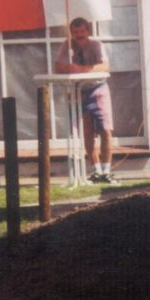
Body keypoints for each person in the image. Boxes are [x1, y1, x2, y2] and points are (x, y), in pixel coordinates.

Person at [53, 17, 116, 184]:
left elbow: (104, 66)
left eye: (82, 31)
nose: (79, 35)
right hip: (80, 91)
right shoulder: (68, 45)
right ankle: (96, 170)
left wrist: (82, 69)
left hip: (98, 89)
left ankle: (107, 171)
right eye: (75, 32)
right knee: (87, 132)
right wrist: (68, 67)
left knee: (105, 130)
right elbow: (57, 66)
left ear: (87, 31)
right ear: (72, 33)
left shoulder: (96, 45)